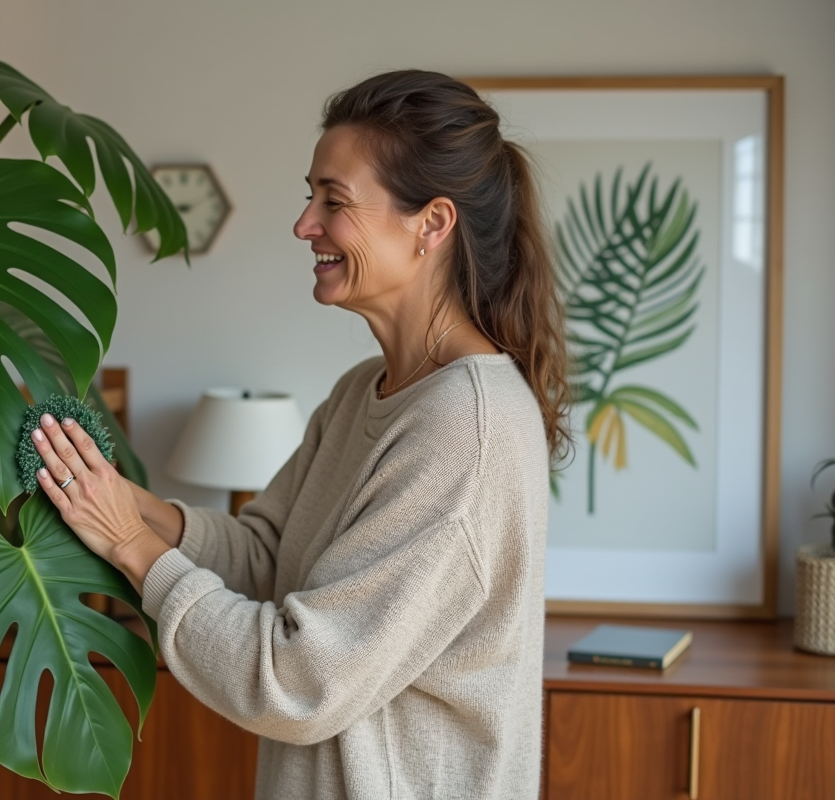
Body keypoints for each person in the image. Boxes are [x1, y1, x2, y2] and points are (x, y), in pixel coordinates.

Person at [28, 69, 570, 800]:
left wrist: (133, 544)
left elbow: (299, 681)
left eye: (334, 201)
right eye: (309, 194)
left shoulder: (463, 429)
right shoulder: (362, 393)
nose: (304, 223)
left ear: (432, 225)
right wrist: (130, 504)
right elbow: (269, 556)